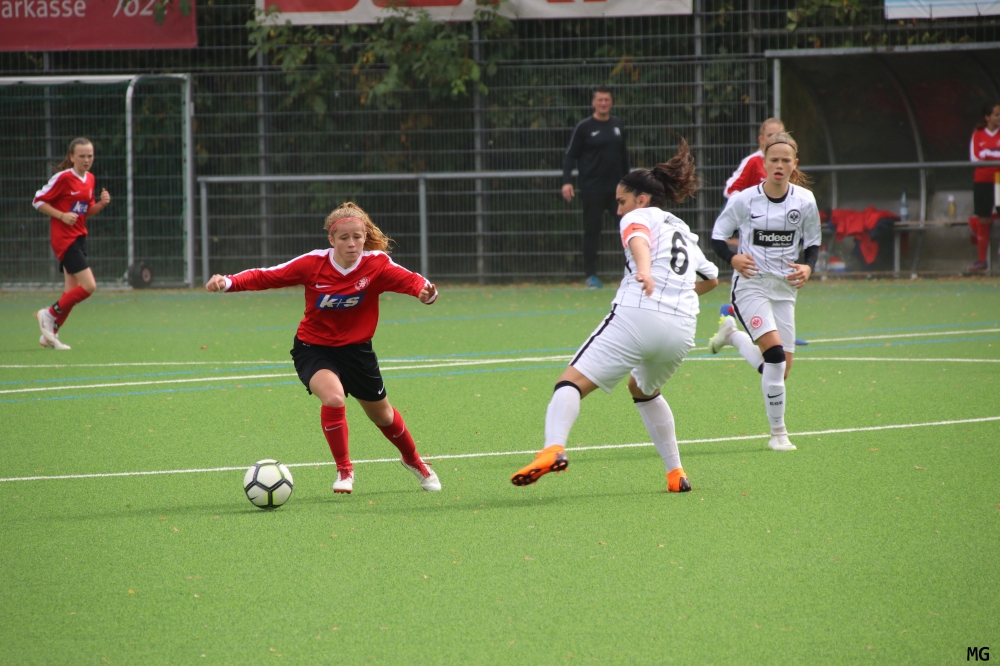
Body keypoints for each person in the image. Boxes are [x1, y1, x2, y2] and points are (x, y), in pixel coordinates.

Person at [513, 139, 719, 492]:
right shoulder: (683, 230)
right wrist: (675, 293)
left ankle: (552, 449)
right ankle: (676, 474)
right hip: (682, 329)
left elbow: (638, 238)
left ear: (642, 199)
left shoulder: (639, 216)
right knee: (643, 389)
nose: (619, 209)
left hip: (638, 315)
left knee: (570, 383)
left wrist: (645, 271)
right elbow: (712, 279)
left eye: (622, 201)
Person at [205, 202, 441, 495]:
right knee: (333, 398)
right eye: (344, 238)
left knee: (384, 417)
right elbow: (268, 275)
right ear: (331, 239)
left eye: (357, 237)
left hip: (357, 352)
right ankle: (344, 469)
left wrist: (425, 293)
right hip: (313, 348)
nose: (352, 243)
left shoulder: (377, 265)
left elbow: (414, 282)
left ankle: (414, 460)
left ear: (365, 237)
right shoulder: (313, 263)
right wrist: (229, 282)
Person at [706, 132, 821, 452]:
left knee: (781, 370)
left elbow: (813, 242)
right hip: (751, 286)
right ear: (764, 163)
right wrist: (733, 258)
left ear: (795, 164)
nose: (779, 165)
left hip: (785, 289)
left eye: (786, 160)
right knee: (774, 357)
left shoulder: (805, 200)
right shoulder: (744, 200)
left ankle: (732, 336)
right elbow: (717, 236)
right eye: (774, 160)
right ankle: (778, 434)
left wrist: (808, 267)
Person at [33, 137, 111, 351]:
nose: (87, 160)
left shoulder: (90, 179)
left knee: (71, 291)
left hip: (79, 238)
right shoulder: (64, 178)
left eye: (90, 156)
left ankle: (50, 335)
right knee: (89, 286)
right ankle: (48, 314)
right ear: (71, 156)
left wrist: (101, 204)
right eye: (82, 156)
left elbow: (85, 211)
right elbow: (37, 201)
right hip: (65, 240)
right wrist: (61, 215)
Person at [561, 86, 631, 290]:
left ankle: (632, 273)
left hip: (618, 191)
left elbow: (624, 156)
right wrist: (567, 181)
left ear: (611, 102)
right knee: (592, 230)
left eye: (606, 100)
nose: (603, 103)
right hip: (592, 189)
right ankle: (591, 276)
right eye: (600, 100)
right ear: (594, 103)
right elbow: (570, 155)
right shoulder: (584, 127)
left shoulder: (618, 125)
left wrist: (629, 184)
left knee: (627, 229)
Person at [968, 102, 1000, 272]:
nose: (999, 118)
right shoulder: (978, 135)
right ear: (987, 117)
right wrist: (994, 155)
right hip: (982, 180)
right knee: (983, 218)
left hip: (999, 179)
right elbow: (975, 158)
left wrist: (987, 154)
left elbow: (983, 155)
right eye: (997, 115)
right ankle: (982, 260)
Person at [724, 118, 786, 199]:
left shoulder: (789, 161)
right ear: (761, 139)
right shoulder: (753, 161)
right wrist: (749, 203)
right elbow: (730, 190)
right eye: (770, 135)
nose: (775, 139)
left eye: (779, 135)